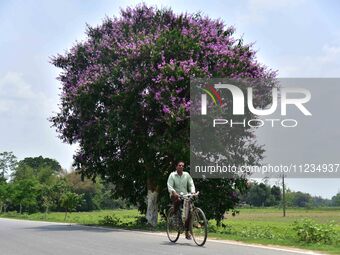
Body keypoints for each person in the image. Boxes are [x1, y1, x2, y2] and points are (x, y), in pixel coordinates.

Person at [167, 161, 196, 240]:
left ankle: (187, 231)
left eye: (182, 166)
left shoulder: (186, 175)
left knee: (189, 213)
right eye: (179, 165)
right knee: (178, 200)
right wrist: (174, 192)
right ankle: (174, 215)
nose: (181, 167)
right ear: (176, 167)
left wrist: (193, 191)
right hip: (175, 195)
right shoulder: (172, 175)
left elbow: (191, 184)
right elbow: (169, 186)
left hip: (185, 195)